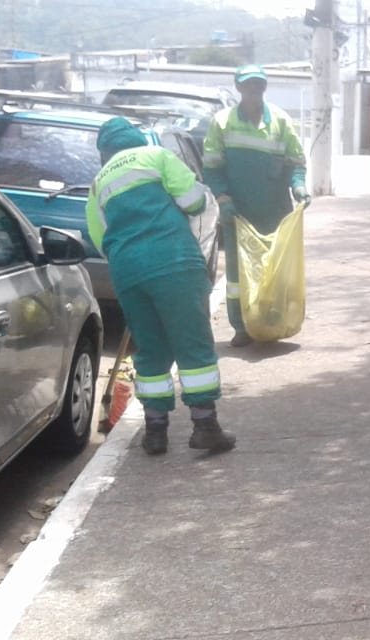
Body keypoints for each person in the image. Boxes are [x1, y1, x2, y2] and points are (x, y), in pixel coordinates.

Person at [86, 117, 236, 455]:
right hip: (173, 262)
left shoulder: (99, 183)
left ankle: (155, 432)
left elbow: (99, 238)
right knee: (192, 344)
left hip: (128, 271)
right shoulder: (156, 156)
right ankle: (205, 425)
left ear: (104, 152)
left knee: (150, 349)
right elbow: (194, 202)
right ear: (135, 139)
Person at [203, 64, 309, 348]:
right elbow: (212, 169)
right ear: (238, 87)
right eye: (249, 84)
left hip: (275, 210)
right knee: (238, 275)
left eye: (259, 84)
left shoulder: (281, 122)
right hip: (237, 211)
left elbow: (296, 163)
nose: (254, 89)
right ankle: (242, 326)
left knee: (273, 268)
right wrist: (223, 199)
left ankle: (271, 320)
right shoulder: (223, 122)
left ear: (265, 87)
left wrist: (299, 186)